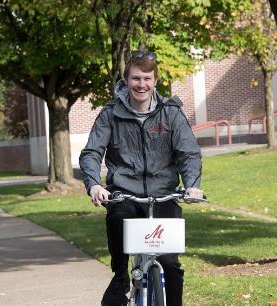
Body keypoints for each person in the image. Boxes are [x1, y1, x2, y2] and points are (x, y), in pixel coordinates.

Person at [79, 50, 203, 306]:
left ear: (155, 81)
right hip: (126, 193)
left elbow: (189, 153)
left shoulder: (170, 113)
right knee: (116, 214)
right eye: (136, 78)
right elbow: (91, 152)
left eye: (147, 78)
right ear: (126, 81)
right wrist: (94, 184)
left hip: (163, 195)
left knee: (170, 263)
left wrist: (192, 186)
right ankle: (120, 275)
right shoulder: (110, 114)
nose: (141, 84)